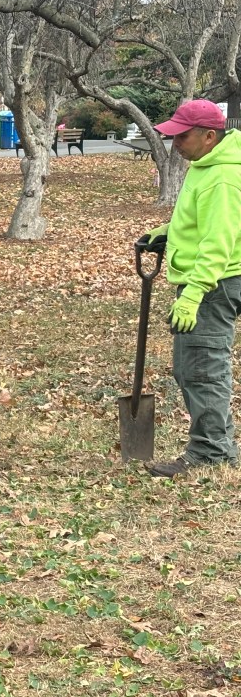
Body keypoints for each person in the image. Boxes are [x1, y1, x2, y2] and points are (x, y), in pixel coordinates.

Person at [139, 99, 241, 477]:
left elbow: (220, 242)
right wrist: (167, 233)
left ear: (209, 136)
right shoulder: (205, 164)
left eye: (182, 136)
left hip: (214, 282)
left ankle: (212, 453)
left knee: (202, 368)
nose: (175, 143)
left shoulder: (223, 177)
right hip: (209, 278)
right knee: (191, 367)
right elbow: (203, 222)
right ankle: (217, 445)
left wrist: (194, 295)